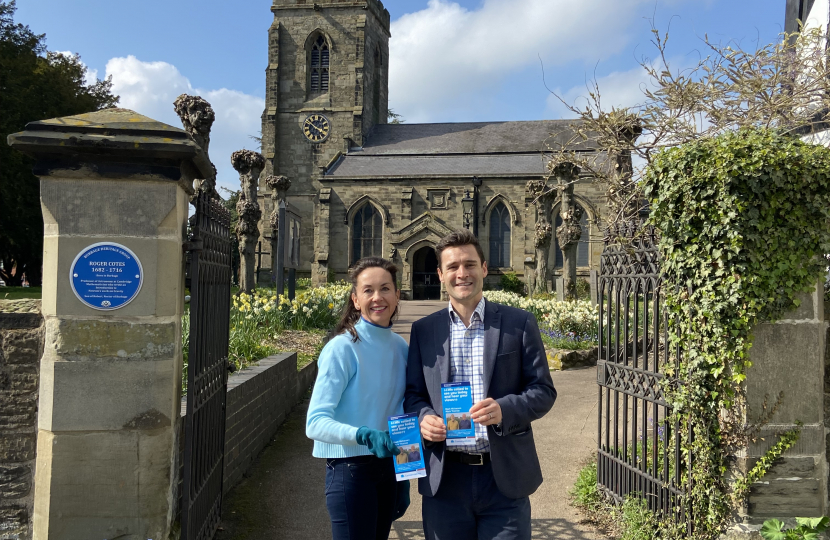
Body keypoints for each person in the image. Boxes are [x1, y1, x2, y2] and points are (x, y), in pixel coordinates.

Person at [404, 229, 557, 540]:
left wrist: (505, 408)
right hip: (445, 478)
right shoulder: (424, 330)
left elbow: (543, 390)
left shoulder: (520, 323)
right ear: (440, 274)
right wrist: (423, 419)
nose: (463, 274)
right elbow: (413, 395)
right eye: (453, 267)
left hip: (502, 476)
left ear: (484, 268)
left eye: (470, 264)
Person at [306, 257, 411, 540]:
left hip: (388, 469)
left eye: (385, 288)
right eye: (368, 290)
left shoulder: (401, 348)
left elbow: (399, 413)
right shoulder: (342, 348)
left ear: (397, 294)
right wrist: (362, 435)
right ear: (355, 300)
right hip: (350, 473)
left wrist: (404, 472)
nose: (378, 297)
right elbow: (315, 423)